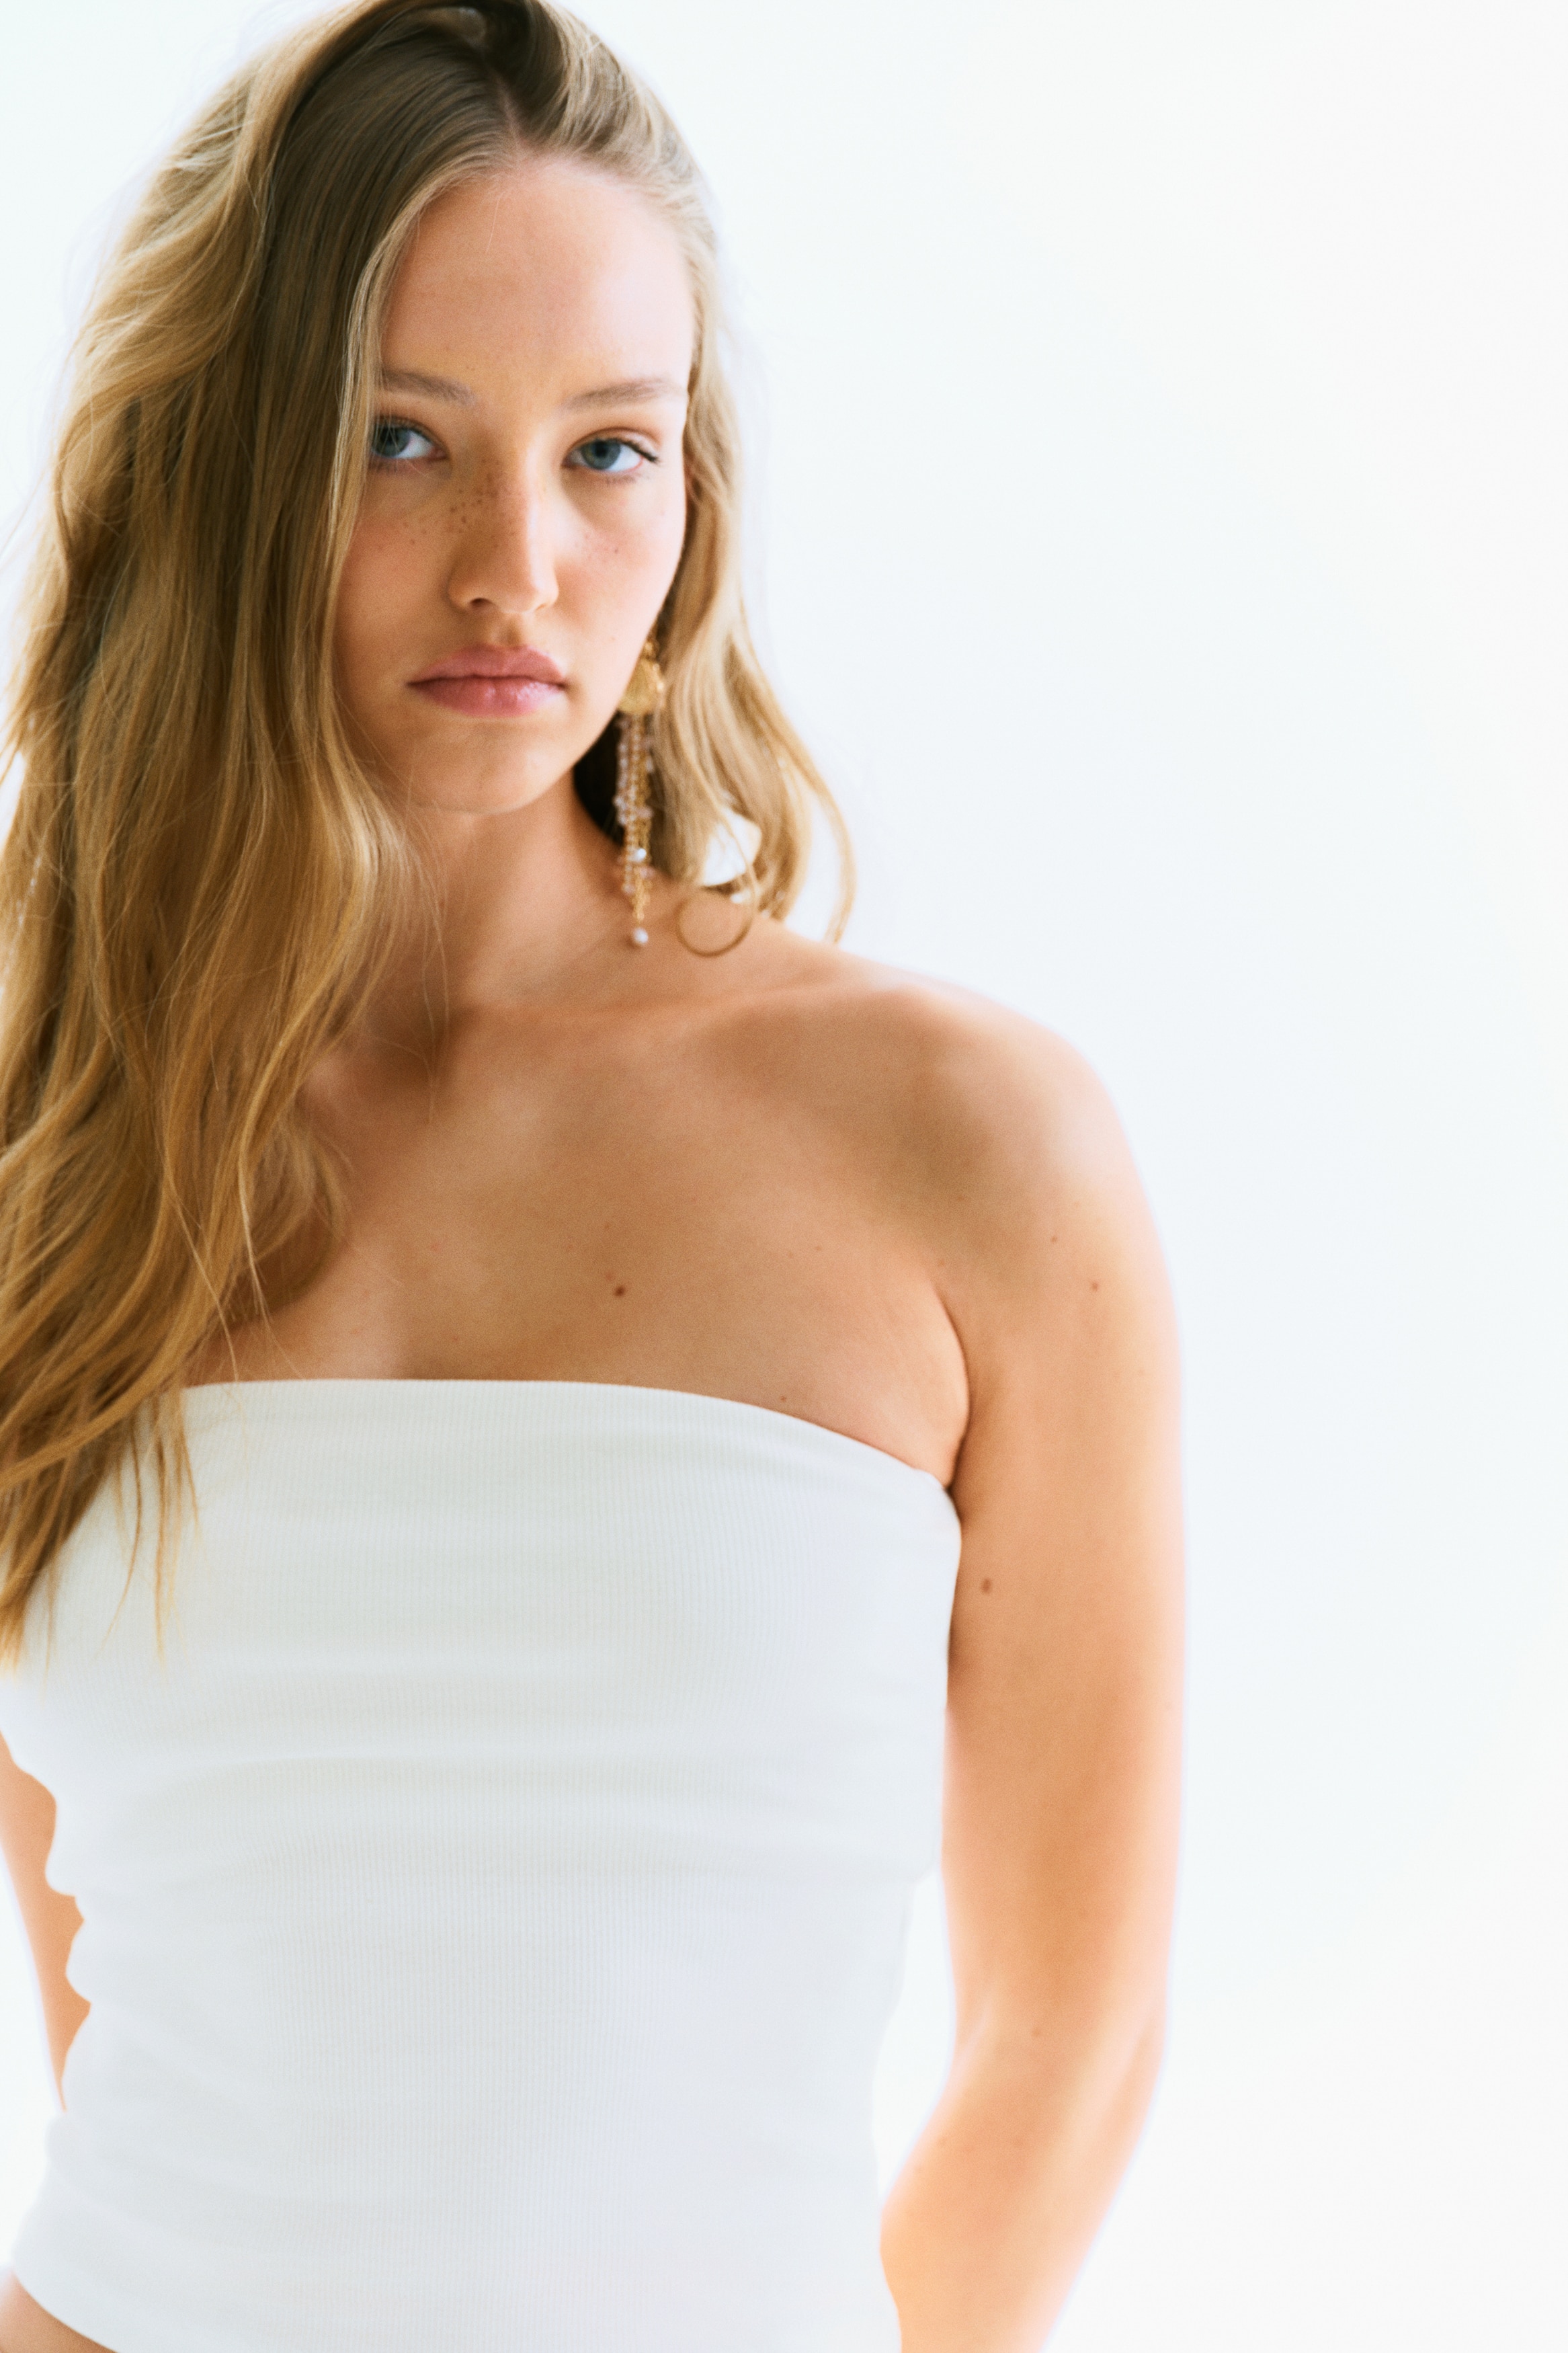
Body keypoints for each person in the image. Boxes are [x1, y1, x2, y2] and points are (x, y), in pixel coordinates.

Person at [0, 3, 1184, 2348]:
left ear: (693, 495)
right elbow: (111, 2005)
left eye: (608, 450)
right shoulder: (59, 1152)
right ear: (224, 467)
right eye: (399, 437)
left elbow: (1068, 2041)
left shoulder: (970, 1146)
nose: (517, 564)